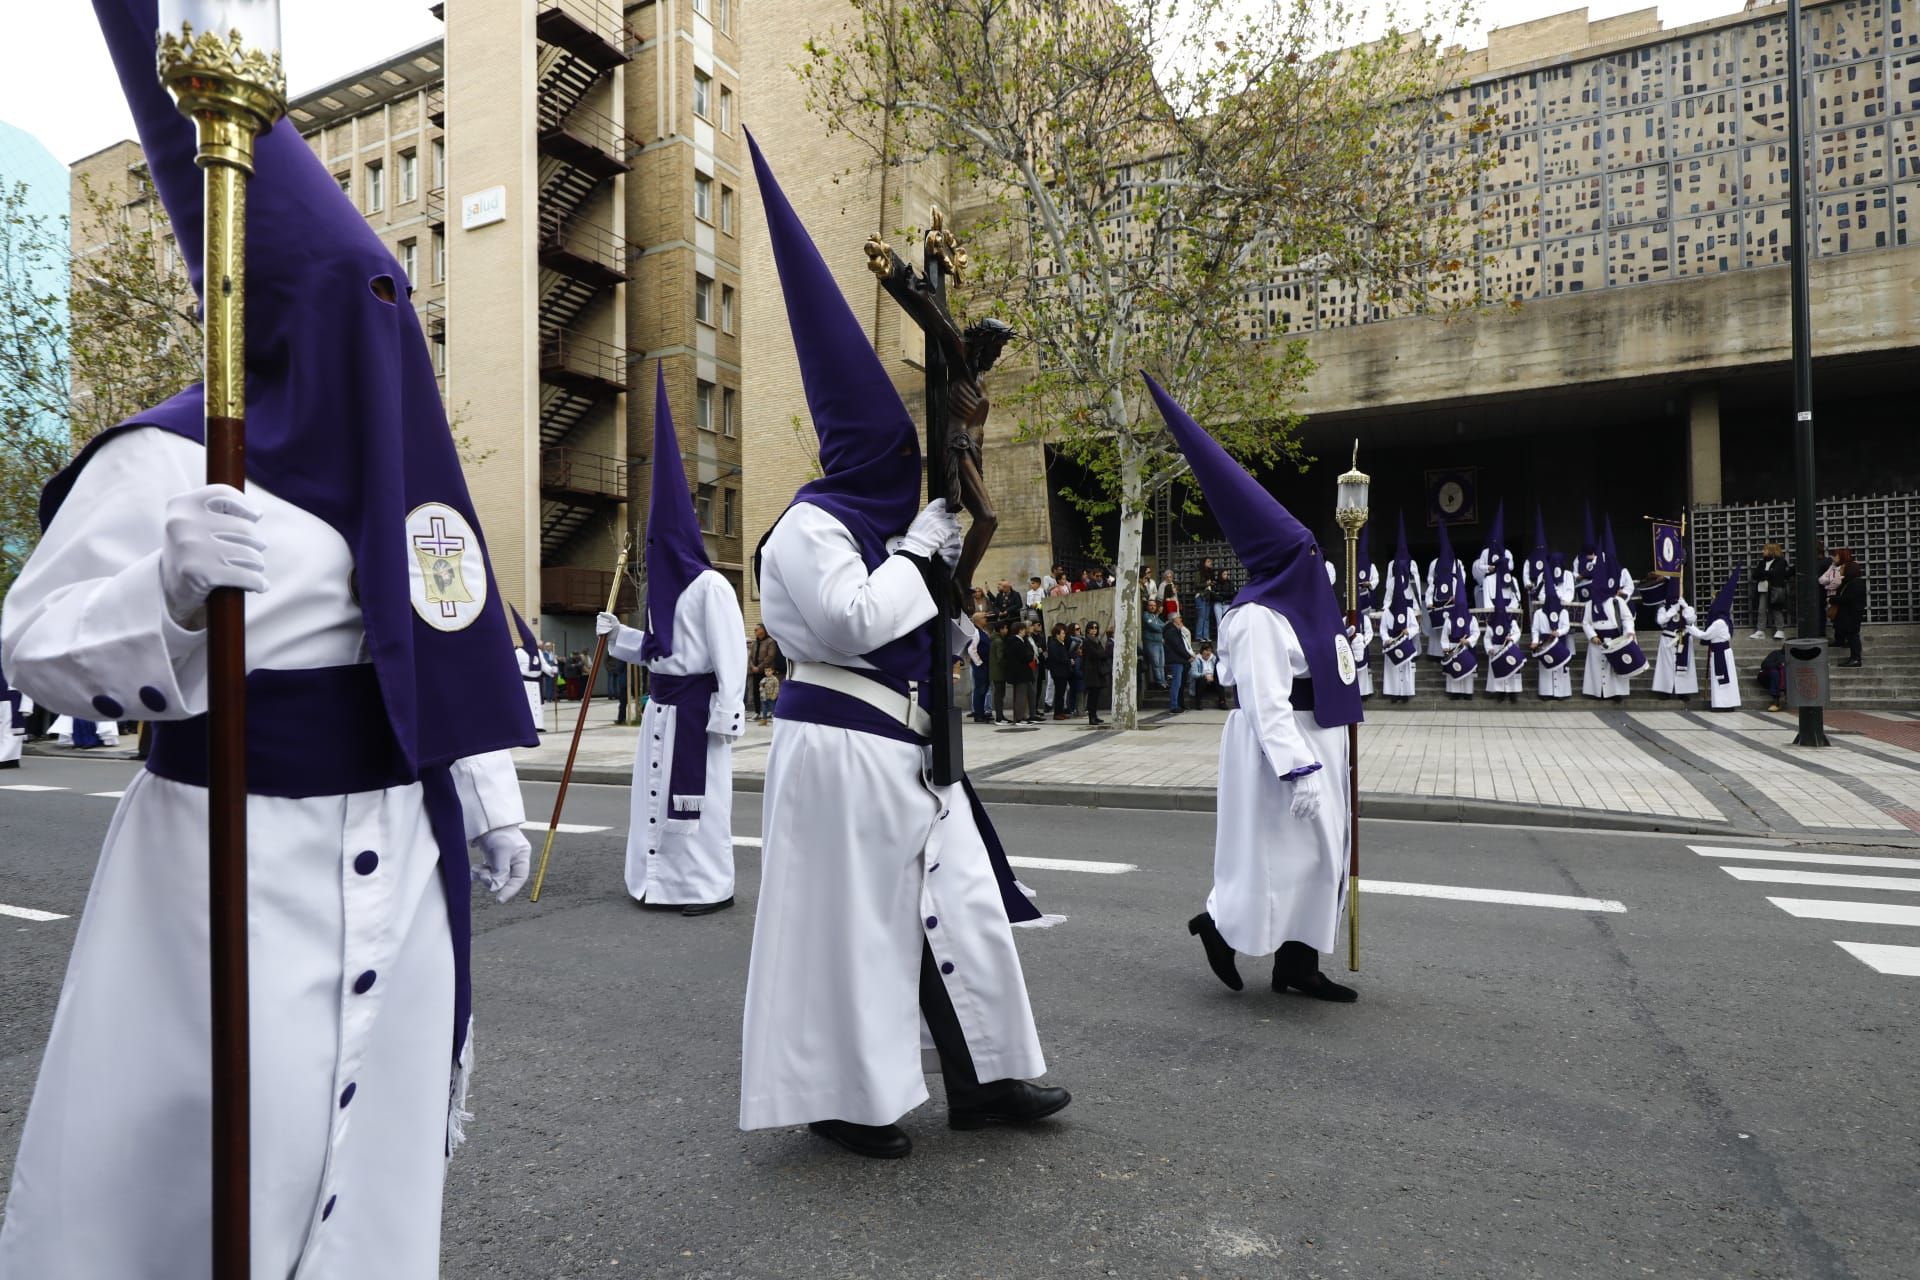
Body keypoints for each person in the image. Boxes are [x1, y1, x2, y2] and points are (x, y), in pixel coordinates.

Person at [0, 5, 535, 1269]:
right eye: (363, 300)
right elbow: (31, 641)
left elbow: (440, 639)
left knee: (373, 1166)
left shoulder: (406, 474)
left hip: (398, 853)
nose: (386, 327)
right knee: (204, 1165)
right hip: (222, 861)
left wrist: (487, 787)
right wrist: (166, 592)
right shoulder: (175, 452)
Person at [740, 136, 1066, 1161]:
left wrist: (952, 608)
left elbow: (915, 614)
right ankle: (847, 1094)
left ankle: (984, 1078)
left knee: (960, 908)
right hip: (840, 750)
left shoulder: (886, 530)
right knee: (858, 935)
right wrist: (925, 548)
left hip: (916, 753)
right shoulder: (807, 526)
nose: (901, 467)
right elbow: (847, 621)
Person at [1144, 377, 1361, 1005]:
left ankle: (1299, 964)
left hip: (1321, 737)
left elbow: (1325, 664)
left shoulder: (1300, 608)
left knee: (1321, 858)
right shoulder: (1258, 617)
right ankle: (1218, 926)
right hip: (1284, 752)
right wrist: (1299, 770)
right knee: (1272, 860)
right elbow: (1266, 702)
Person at [596, 365, 747, 915]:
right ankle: (655, 881)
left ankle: (706, 887)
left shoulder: (709, 587)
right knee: (653, 800)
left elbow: (732, 655)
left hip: (695, 713)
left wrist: (728, 717)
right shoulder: (662, 595)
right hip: (661, 710)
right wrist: (620, 636)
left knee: (699, 804)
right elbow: (663, 652)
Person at [1380, 516, 1422, 703]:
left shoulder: (1409, 610)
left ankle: (1405, 694)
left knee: (1405, 666)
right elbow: (1382, 629)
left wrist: (1408, 631)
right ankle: (1394, 694)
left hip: (1405, 641)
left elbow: (1415, 627)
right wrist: (1387, 640)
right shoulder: (1389, 610)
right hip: (1392, 644)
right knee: (1392, 669)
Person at [1691, 567, 1742, 711]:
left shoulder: (1719, 622)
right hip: (1722, 652)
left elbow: (1705, 635)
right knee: (1725, 679)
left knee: (1722, 679)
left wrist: (1690, 627)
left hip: (1720, 653)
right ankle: (1724, 703)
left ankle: (1723, 704)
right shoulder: (1724, 620)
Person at [1649, 577, 1699, 701]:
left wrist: (1684, 606)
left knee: (1684, 665)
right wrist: (1673, 609)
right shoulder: (1662, 608)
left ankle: (1683, 691)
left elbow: (1692, 620)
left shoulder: (1686, 606)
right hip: (1668, 640)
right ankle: (1665, 690)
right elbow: (1661, 621)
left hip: (1683, 639)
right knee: (1667, 666)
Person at [1530, 574, 1575, 701]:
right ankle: (1546, 692)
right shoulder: (1539, 613)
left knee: (1561, 667)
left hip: (1559, 641)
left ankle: (1561, 693)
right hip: (1545, 643)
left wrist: (1559, 632)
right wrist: (1534, 641)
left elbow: (1566, 626)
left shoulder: (1564, 612)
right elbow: (1535, 629)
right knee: (1546, 667)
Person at [1425, 519, 1465, 657]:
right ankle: (1436, 654)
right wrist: (1429, 601)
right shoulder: (1434, 563)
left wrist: (1457, 597)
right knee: (1437, 628)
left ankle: (1453, 651)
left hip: (1453, 601)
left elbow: (1461, 582)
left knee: (1452, 627)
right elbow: (1431, 582)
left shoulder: (1457, 563)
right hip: (1438, 602)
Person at [1482, 597, 1525, 703]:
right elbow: (1487, 638)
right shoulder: (1491, 625)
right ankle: (1500, 693)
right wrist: (1490, 649)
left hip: (1509, 649)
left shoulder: (1511, 622)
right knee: (1499, 672)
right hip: (1496, 650)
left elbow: (1517, 633)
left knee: (1512, 671)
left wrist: (1512, 638)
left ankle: (1512, 693)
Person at [1440, 596, 1480, 700]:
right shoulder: (1449, 618)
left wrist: (1468, 640)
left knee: (1467, 669)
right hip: (1453, 648)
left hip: (1466, 647)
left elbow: (1476, 633)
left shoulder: (1472, 618)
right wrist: (1445, 647)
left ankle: (1467, 692)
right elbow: (1444, 635)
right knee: (1455, 668)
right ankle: (1455, 692)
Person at [1752, 543, 1793, 640]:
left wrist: (1764, 574)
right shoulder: (1762, 562)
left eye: (1765, 550)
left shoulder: (1781, 562)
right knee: (1761, 610)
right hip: (1762, 589)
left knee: (1776, 609)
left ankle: (1780, 630)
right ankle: (1760, 631)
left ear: (1771, 551)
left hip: (1774, 589)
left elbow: (1776, 574)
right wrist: (1767, 574)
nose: (1763, 552)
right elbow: (1755, 575)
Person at [1833, 552, 1867, 667]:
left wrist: (1833, 600)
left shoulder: (1855, 583)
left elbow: (1848, 599)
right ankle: (1854, 658)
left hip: (1852, 614)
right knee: (1851, 635)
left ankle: (1856, 658)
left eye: (1843, 568)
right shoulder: (1850, 582)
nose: (1841, 570)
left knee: (1853, 636)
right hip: (1849, 614)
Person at [1164, 604, 1194, 713]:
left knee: (1179, 683)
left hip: (1179, 660)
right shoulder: (1171, 631)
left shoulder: (1175, 630)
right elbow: (1178, 646)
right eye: (1178, 618)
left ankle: (1179, 704)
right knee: (1176, 684)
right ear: (1174, 619)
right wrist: (1188, 656)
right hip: (1176, 660)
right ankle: (1174, 705)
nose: (1180, 619)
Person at [749, 623, 781, 722]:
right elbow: (750, 657)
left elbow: (770, 656)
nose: (755, 632)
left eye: (756, 630)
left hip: (766, 672)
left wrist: (759, 667)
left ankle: (771, 712)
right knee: (756, 692)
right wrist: (752, 667)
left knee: (769, 692)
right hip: (755, 672)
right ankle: (757, 712)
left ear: (763, 630)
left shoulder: (770, 641)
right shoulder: (754, 643)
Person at [0, 668, 29, 769]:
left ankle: (5, 758)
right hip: (5, 694)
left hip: (12, 696)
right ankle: (12, 759)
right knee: (4, 731)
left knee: (11, 730)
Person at [968, 611, 993, 722]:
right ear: (978, 620)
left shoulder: (983, 631)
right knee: (980, 689)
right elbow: (971, 650)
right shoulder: (975, 632)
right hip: (980, 666)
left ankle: (982, 712)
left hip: (986, 665)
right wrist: (979, 663)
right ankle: (978, 714)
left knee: (984, 688)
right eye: (984, 618)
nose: (986, 620)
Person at [1046, 622, 1074, 720]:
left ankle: (1060, 711)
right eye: (1062, 633)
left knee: (1061, 693)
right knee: (1059, 694)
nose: (1064, 635)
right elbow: (1058, 658)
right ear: (1057, 634)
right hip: (1058, 673)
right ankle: (1057, 713)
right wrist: (1069, 661)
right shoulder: (1053, 644)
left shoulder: (1060, 643)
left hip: (1063, 672)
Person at [1142, 597, 1167, 690]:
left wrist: (1159, 626)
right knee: (1156, 664)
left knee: (1161, 664)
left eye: (1154, 605)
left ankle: (1164, 682)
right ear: (1147, 606)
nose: (1152, 607)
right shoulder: (1146, 615)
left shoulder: (1155, 617)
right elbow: (1154, 627)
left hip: (1159, 643)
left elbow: (1164, 626)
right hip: (1151, 643)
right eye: (1150, 605)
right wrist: (1160, 627)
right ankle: (1160, 683)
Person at [989, 619, 1012, 722]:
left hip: (995, 672)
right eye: (1005, 628)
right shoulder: (999, 641)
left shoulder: (994, 639)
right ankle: (999, 717)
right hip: (999, 673)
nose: (1007, 630)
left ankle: (1000, 716)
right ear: (1001, 629)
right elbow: (1000, 658)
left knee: (998, 695)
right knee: (999, 695)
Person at [1191, 642, 1224, 709]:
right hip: (1202, 680)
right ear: (1202, 651)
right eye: (1206, 650)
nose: (1208, 653)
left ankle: (1222, 702)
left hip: (1212, 680)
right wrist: (1205, 675)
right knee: (1201, 680)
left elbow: (1219, 670)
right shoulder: (1196, 659)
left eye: (1210, 651)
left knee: (1219, 679)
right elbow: (1193, 673)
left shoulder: (1214, 658)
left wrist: (1213, 676)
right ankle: (1198, 703)